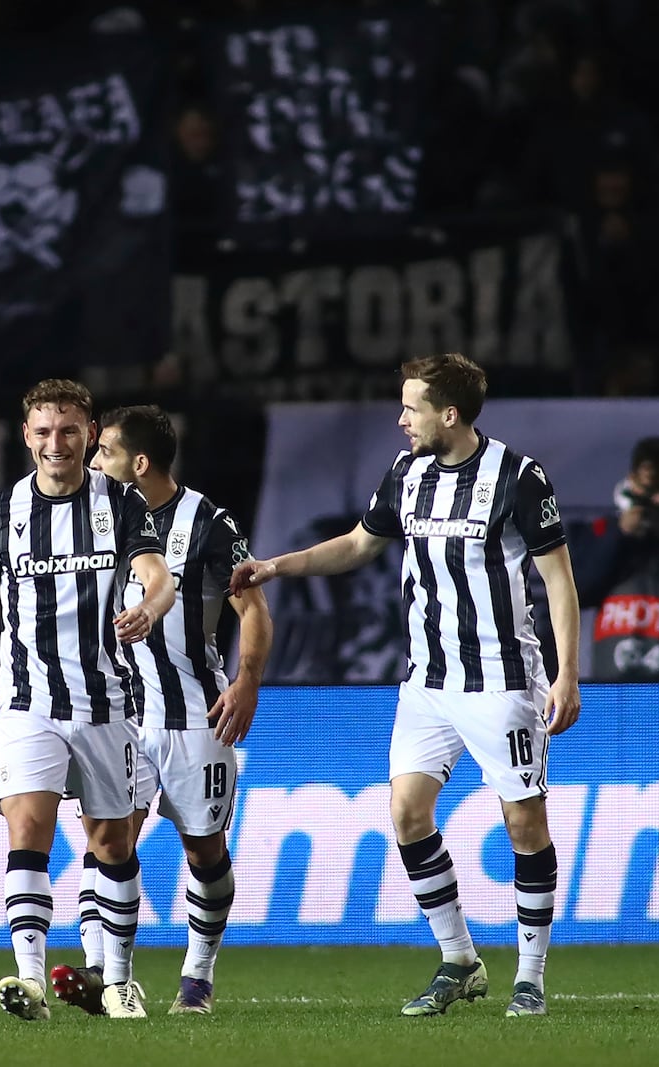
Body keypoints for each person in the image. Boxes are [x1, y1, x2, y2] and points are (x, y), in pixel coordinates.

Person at [231, 353, 581, 1019]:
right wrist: (277, 564)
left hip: (501, 679)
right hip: (426, 680)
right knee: (406, 812)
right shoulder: (406, 472)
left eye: (411, 407)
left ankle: (530, 976)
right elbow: (361, 545)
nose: (401, 418)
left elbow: (558, 579)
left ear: (448, 413)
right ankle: (460, 959)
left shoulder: (517, 477)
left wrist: (566, 672)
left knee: (523, 821)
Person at [0, 404, 273, 1016]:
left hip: (191, 715)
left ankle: (197, 975)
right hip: (120, 708)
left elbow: (251, 608)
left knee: (203, 849)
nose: (88, 458)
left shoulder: (202, 522)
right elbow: (19, 567)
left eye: (101, 450)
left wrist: (248, 681)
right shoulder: (80, 514)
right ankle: (103, 975)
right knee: (107, 841)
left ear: (136, 463)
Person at [0, 379, 174, 1022]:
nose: (57, 443)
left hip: (107, 703)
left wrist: (151, 605)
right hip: (26, 702)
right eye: (44, 431)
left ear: (88, 434)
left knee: (111, 844)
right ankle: (29, 979)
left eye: (70, 431)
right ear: (26, 436)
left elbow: (155, 572)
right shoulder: (0, 512)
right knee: (28, 828)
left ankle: (119, 979)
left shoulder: (122, 502)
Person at [568, 435, 659, 680]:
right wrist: (619, 534)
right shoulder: (597, 531)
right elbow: (579, 591)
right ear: (631, 481)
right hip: (612, 686)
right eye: (645, 490)